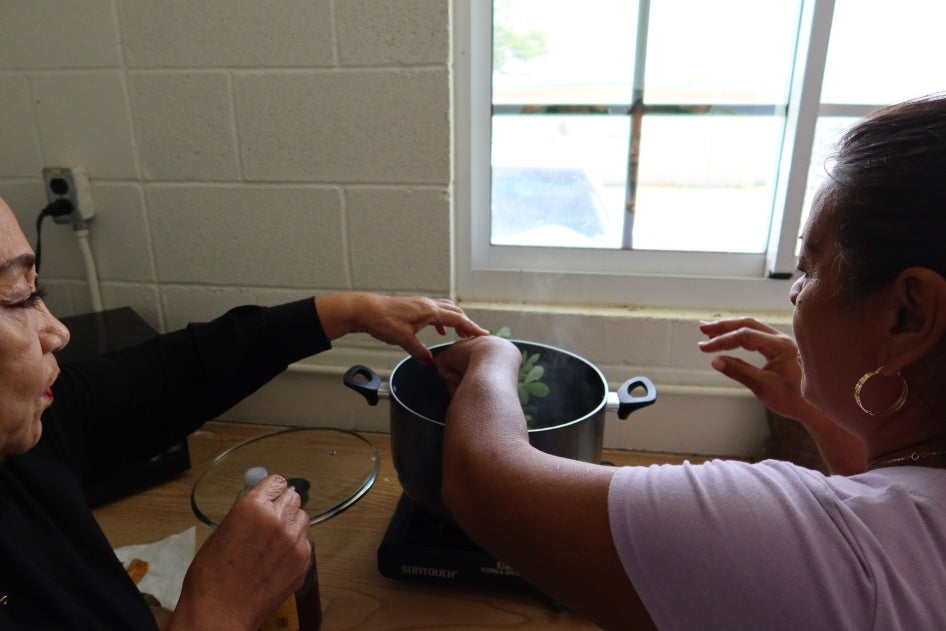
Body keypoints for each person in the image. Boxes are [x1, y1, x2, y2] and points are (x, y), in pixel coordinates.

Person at [434, 93, 946, 630]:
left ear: (908, 316)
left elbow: (482, 482)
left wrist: (495, 356)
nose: (795, 293)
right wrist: (815, 412)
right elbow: (888, 513)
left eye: (810, 267)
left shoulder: (792, 535)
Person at [0, 194, 488, 630]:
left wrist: (351, 311)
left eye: (39, 291)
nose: (58, 332)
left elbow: (172, 373)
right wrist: (217, 610)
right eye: (20, 297)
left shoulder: (29, 438)